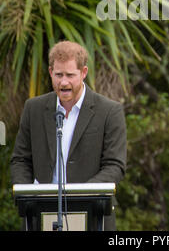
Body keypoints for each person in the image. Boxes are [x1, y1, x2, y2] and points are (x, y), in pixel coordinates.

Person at [10, 40, 127, 231]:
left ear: (83, 73)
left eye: (70, 75)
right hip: (40, 214)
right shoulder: (34, 108)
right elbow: (20, 160)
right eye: (58, 75)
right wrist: (27, 197)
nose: (63, 82)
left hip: (92, 216)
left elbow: (115, 165)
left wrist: (80, 197)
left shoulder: (109, 111)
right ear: (50, 72)